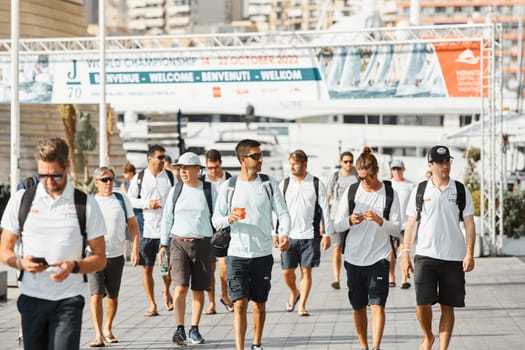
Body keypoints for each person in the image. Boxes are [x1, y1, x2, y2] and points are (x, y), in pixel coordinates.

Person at [0, 137, 107, 350]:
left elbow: (100, 258)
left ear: (67, 167)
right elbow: (4, 250)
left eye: (56, 175)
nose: (49, 182)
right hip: (31, 299)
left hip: (68, 301)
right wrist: (21, 263)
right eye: (43, 175)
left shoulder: (86, 204)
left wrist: (74, 266)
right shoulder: (21, 200)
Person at [212, 139, 291, 350]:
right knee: (239, 304)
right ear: (242, 159)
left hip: (262, 253)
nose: (260, 159)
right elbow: (215, 219)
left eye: (260, 155)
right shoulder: (228, 187)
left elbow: (282, 213)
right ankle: (240, 348)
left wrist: (284, 233)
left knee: (259, 304)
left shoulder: (268, 183)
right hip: (236, 254)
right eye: (255, 156)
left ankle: (256, 344)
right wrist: (229, 218)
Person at [400, 145, 476, 350]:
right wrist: (405, 253)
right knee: (421, 303)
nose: (445, 165)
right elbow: (411, 224)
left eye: (448, 161)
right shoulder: (420, 190)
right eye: (441, 162)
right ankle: (428, 336)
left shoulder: (460, 190)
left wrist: (469, 253)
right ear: (430, 164)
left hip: (453, 257)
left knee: (447, 306)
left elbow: (469, 224)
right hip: (425, 255)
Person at [334, 146, 401, 350]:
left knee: (377, 305)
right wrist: (349, 220)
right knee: (358, 307)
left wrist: (381, 221)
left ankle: (376, 347)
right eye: (361, 177)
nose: (365, 182)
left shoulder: (390, 193)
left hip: (379, 259)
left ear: (377, 171)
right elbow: (336, 225)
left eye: (368, 177)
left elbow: (397, 228)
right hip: (354, 259)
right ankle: (363, 346)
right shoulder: (351, 191)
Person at [160, 152, 217, 346]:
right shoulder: (176, 190)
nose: (182, 171)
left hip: (203, 244)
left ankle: (194, 328)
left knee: (199, 289)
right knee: (181, 287)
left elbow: (218, 216)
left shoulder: (209, 190)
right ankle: (179, 328)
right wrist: (163, 244)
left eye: (186, 168)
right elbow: (167, 218)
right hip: (178, 243)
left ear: (197, 170)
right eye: (180, 168)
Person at [89, 167, 140, 347]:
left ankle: (108, 328)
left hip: (116, 255)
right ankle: (97, 334)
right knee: (96, 294)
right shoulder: (90, 202)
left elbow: (133, 226)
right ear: (96, 183)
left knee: (112, 296)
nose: (109, 183)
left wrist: (135, 249)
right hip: (95, 256)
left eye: (111, 179)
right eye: (104, 180)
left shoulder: (121, 199)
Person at [279, 150, 333, 316]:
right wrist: (276, 233)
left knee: (306, 270)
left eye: (295, 163)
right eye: (291, 163)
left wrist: (327, 234)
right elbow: (278, 210)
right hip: (288, 235)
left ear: (304, 164)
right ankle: (294, 292)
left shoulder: (316, 183)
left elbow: (325, 209)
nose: (292, 167)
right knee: (287, 271)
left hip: (310, 235)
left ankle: (302, 305)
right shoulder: (285, 183)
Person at [127, 144, 174, 317]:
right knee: (146, 268)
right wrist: (148, 204)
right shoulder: (140, 177)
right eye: (160, 157)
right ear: (150, 159)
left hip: (166, 231)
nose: (163, 160)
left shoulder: (169, 176)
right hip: (146, 230)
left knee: (166, 268)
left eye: (164, 157)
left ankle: (166, 290)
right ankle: (152, 304)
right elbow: (130, 200)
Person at [201, 149, 233, 315]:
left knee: (224, 267)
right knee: (209, 268)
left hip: (224, 228)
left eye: (215, 167)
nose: (212, 171)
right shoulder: (202, 181)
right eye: (209, 168)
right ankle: (212, 302)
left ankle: (225, 295)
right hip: (206, 228)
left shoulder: (229, 179)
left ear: (220, 163)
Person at [327, 151, 358, 289]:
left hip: (354, 217)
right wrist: (325, 219)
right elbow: (328, 197)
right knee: (337, 248)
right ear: (341, 162)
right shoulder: (335, 176)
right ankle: (336, 278)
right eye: (345, 161)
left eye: (350, 161)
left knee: (354, 248)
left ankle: (353, 277)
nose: (348, 164)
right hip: (337, 216)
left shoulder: (357, 175)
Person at [389, 159, 414, 289]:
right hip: (392, 224)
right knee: (392, 252)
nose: (396, 171)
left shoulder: (410, 185)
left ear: (403, 169)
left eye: (399, 169)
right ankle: (391, 277)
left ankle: (404, 278)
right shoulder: (387, 185)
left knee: (404, 250)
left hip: (405, 224)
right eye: (394, 169)